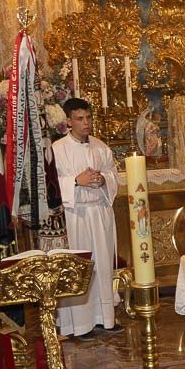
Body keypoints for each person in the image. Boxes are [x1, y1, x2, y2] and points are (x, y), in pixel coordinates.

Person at [54, 97, 121, 338]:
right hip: (77, 216)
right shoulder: (58, 149)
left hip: (100, 213)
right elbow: (51, 185)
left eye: (89, 117)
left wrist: (105, 180)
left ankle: (105, 318)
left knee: (102, 266)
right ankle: (80, 324)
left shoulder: (101, 147)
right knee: (82, 268)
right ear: (69, 121)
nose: (86, 123)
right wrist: (75, 181)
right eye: (80, 119)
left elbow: (114, 175)